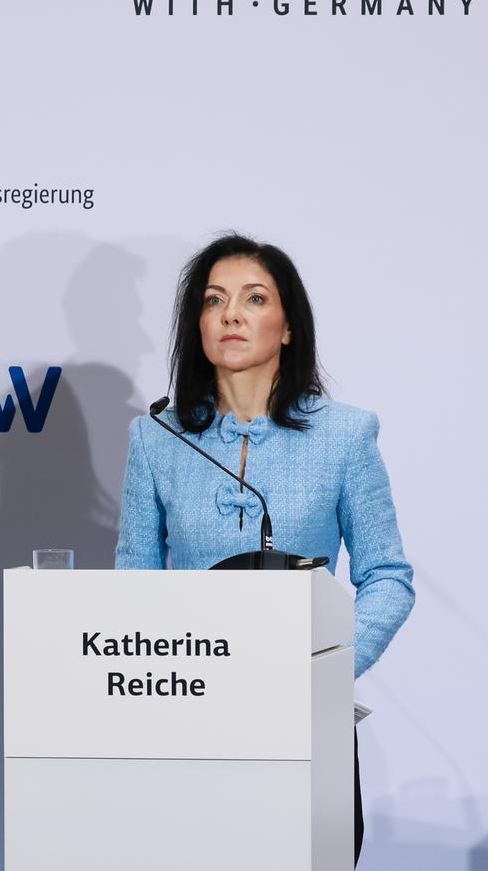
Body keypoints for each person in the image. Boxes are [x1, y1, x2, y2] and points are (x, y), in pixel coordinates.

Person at [116, 233, 414, 864]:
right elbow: (133, 588)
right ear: (196, 324)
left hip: (305, 718)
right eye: (213, 300)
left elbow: (387, 574)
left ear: (286, 327)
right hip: (189, 716)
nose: (231, 315)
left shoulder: (345, 436)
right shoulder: (155, 439)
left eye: (254, 299)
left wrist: (328, 671)